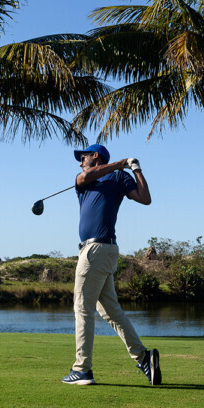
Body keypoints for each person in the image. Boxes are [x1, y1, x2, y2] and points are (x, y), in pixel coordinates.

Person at [62, 143, 161, 386]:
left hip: (95, 250)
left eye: (83, 157)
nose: (80, 161)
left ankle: (82, 369)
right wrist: (121, 162)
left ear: (94, 156)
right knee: (110, 311)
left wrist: (136, 169)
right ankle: (143, 358)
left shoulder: (120, 177)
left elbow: (145, 199)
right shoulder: (85, 179)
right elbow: (86, 175)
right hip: (103, 251)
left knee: (82, 309)